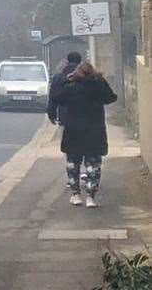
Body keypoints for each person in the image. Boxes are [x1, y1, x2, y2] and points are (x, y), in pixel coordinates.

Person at [49, 60, 117, 208]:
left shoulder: (71, 87)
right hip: (95, 130)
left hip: (74, 130)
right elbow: (112, 97)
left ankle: (76, 195)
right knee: (93, 165)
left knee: (73, 163)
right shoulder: (98, 86)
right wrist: (101, 80)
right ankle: (91, 198)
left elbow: (56, 97)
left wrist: (67, 79)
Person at [45, 51, 82, 124]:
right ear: (80, 61)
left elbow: (53, 98)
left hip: (65, 116)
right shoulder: (87, 77)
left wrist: (52, 115)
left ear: (67, 61)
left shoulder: (58, 77)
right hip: (85, 117)